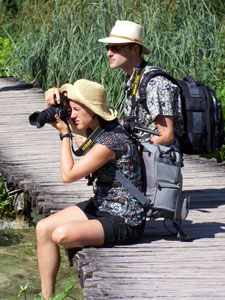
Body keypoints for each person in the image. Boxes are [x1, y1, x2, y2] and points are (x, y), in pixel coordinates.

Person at [36, 79, 145, 299]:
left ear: (94, 112)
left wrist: (65, 134)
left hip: (124, 219)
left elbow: (68, 175)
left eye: (77, 109)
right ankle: (46, 297)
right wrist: (58, 108)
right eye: (70, 109)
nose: (72, 114)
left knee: (60, 234)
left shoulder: (112, 140)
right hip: (102, 205)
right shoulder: (101, 130)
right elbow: (81, 144)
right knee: (42, 228)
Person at [98, 20, 184, 147]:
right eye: (108, 48)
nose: (109, 53)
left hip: (157, 160)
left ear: (135, 49)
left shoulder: (155, 83)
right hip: (144, 155)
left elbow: (166, 135)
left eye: (115, 48)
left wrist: (131, 152)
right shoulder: (134, 78)